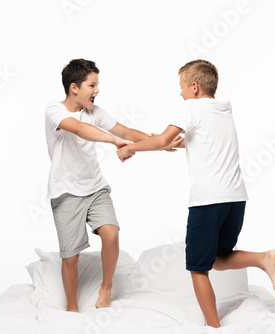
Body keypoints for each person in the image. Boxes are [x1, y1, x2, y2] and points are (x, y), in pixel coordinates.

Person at [117, 59, 275, 328]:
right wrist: (175, 143)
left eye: (182, 86)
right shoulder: (222, 109)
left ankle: (214, 328)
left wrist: (131, 149)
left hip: (208, 200)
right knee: (219, 259)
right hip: (235, 198)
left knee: (198, 268)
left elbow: (163, 139)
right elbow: (203, 141)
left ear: (195, 87)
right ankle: (263, 258)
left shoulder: (190, 107)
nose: (180, 92)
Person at [45, 58, 181, 312]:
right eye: (92, 85)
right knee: (70, 256)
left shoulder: (96, 111)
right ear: (74, 87)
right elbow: (77, 128)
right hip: (65, 192)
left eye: (97, 85)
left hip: (95, 188)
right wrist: (113, 141)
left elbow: (127, 132)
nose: (97, 90)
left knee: (111, 233)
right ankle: (72, 308)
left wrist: (165, 142)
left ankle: (106, 287)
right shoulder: (54, 110)